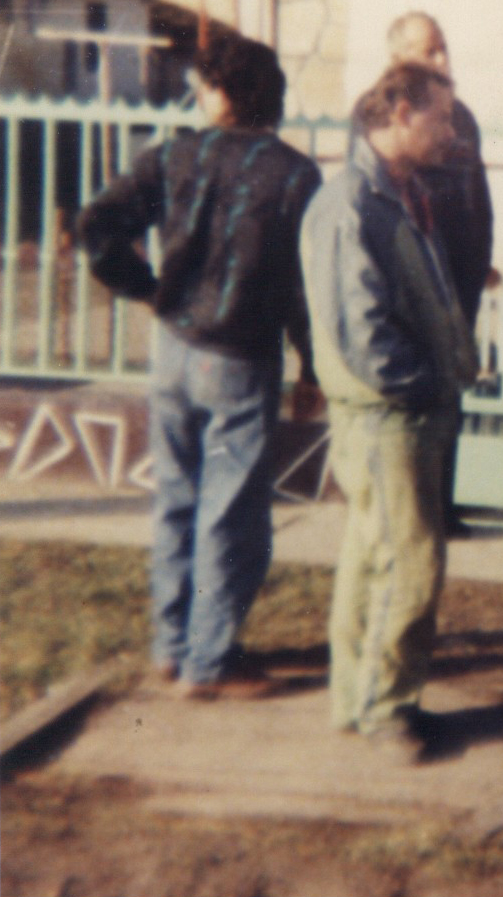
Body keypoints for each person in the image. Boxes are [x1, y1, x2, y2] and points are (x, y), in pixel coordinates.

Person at [78, 35, 321, 698]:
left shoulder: (174, 155)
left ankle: (172, 645)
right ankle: (209, 660)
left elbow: (97, 224)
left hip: (174, 348)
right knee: (230, 513)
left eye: (201, 87)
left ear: (221, 93)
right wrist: (312, 368)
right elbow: (304, 287)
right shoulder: (296, 176)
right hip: (241, 358)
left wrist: (145, 288)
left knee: (177, 499)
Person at [300, 62, 477, 762]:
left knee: (373, 555)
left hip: (403, 410)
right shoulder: (352, 205)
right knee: (410, 562)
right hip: (388, 414)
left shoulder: (400, 194)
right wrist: (424, 383)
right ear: (400, 111)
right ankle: (384, 711)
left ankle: (359, 701)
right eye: (442, 117)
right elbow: (362, 331)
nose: (451, 132)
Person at [386, 11, 493, 537]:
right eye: (429, 50)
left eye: (443, 47)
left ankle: (442, 506)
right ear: (398, 57)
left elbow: (476, 205)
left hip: (454, 280)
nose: (442, 59)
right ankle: (409, 510)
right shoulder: (381, 116)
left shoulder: (462, 118)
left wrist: (470, 284)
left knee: (449, 398)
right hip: (406, 283)